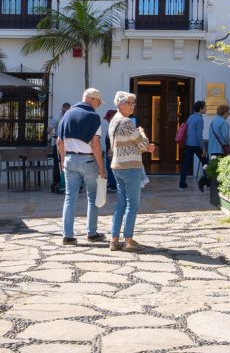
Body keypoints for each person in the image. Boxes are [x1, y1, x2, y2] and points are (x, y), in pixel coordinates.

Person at [57, 88, 107, 244]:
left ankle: (68, 235)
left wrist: (63, 161)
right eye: (98, 102)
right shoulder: (93, 117)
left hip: (70, 160)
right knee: (92, 197)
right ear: (92, 99)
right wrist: (102, 167)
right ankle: (91, 233)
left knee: (69, 198)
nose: (98, 106)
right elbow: (96, 144)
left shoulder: (67, 115)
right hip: (88, 161)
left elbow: (59, 142)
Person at [108, 91, 155, 251]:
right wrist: (142, 132)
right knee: (132, 204)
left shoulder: (113, 120)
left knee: (121, 203)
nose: (133, 105)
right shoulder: (126, 122)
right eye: (130, 103)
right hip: (130, 167)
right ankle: (128, 240)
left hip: (117, 166)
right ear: (120, 104)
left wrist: (145, 147)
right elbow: (141, 144)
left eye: (133, 103)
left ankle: (114, 240)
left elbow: (127, 145)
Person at [202, 104, 230, 192]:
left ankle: (210, 183)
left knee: (214, 167)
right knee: (220, 168)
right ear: (225, 113)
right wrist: (227, 143)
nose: (228, 115)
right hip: (221, 149)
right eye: (228, 113)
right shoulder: (223, 122)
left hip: (212, 148)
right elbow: (226, 137)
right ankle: (216, 184)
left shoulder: (213, 121)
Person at [179, 100, 206, 190]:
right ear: (201, 108)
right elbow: (199, 135)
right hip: (196, 145)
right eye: (205, 107)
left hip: (188, 144)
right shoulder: (199, 119)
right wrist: (203, 148)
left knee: (186, 165)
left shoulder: (190, 117)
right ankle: (208, 182)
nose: (206, 109)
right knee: (205, 162)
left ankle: (182, 184)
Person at [49, 102, 70, 194]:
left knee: (67, 164)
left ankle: (67, 183)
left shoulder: (70, 117)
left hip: (69, 144)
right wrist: (52, 134)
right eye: (64, 110)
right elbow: (49, 128)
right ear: (62, 109)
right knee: (59, 164)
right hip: (60, 143)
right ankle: (60, 182)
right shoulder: (58, 117)